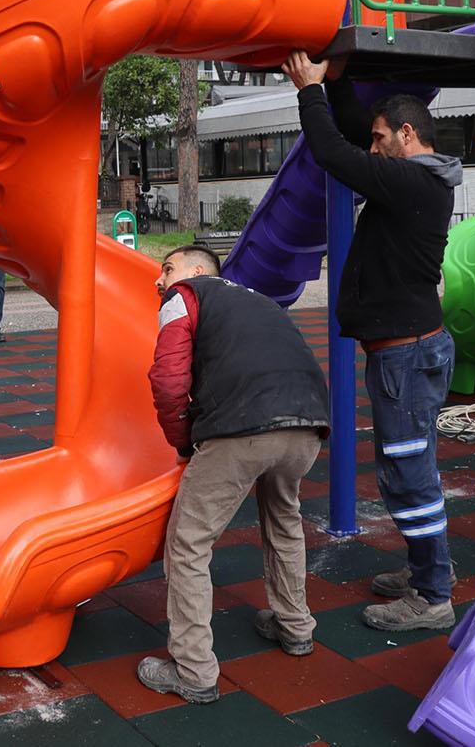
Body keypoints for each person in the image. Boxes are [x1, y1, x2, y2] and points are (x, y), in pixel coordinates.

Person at [282, 49, 461, 632]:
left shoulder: (411, 181)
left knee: (408, 473)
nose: (374, 147)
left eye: (382, 139)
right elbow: (358, 135)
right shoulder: (420, 177)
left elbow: (333, 152)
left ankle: (432, 595)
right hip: (409, 348)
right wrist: (338, 82)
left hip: (405, 354)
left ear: (408, 135)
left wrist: (308, 89)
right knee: (412, 467)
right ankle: (427, 569)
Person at [138, 244, 329, 704]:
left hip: (242, 427)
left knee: (188, 544)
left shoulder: (186, 295)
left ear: (197, 270)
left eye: (167, 269)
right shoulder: (261, 302)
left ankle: (193, 670)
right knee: (284, 521)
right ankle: (294, 625)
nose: (160, 281)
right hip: (307, 424)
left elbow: (168, 380)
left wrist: (184, 441)